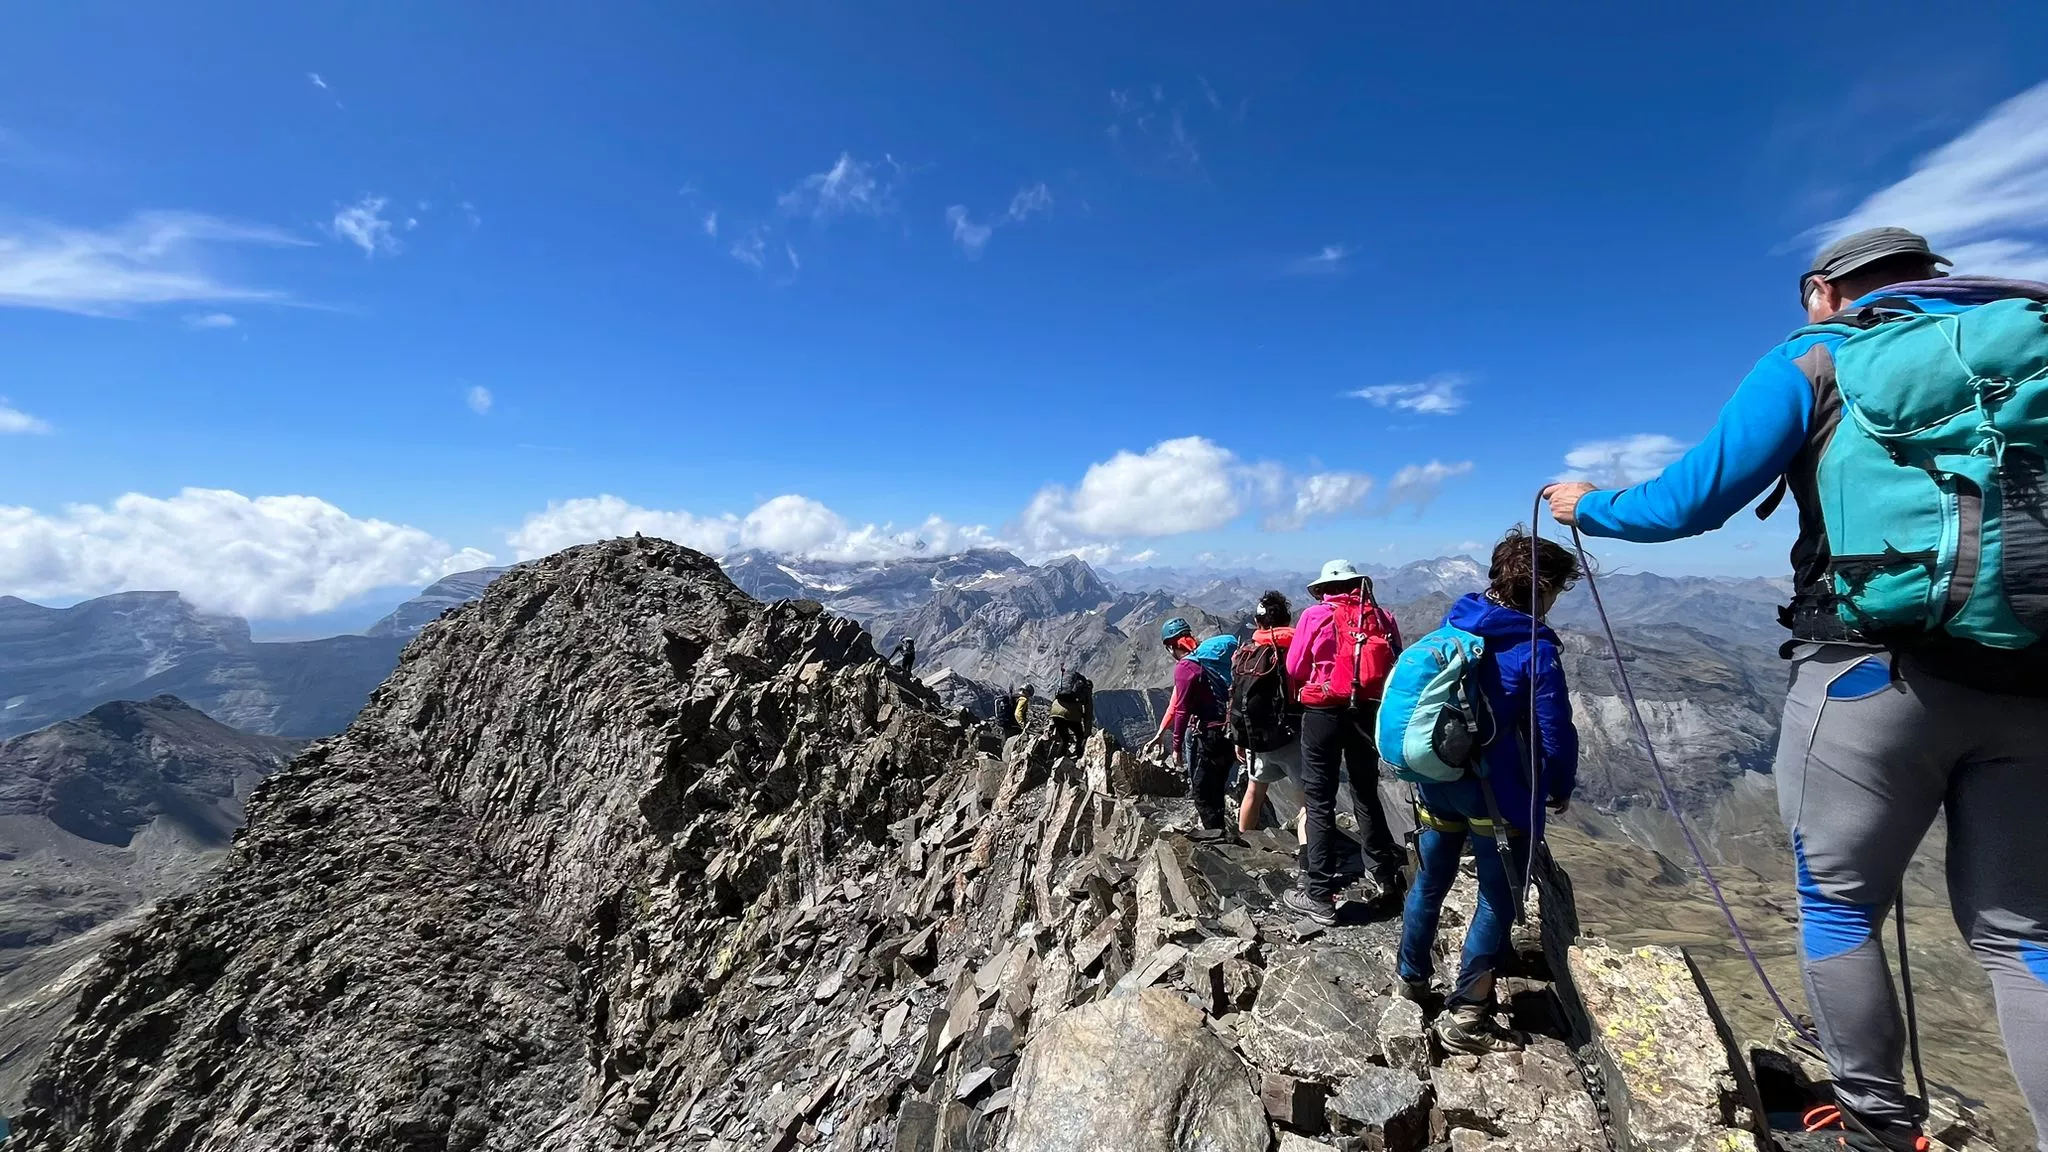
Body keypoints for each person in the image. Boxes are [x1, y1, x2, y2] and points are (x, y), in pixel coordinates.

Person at [1542, 227, 2048, 1152]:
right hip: (2035, 682)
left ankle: (1874, 1130)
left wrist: (1590, 506)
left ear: (1824, 289)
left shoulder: (1819, 354)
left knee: (1840, 906)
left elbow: (1688, 504)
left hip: (1868, 676)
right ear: (1936, 281)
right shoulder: (2030, 351)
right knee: (2025, 935)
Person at [1395, 529, 1580, 1055]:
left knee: (1430, 882)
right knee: (1497, 897)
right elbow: (1554, 730)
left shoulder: (1456, 625)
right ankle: (1468, 1011)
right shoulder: (1534, 649)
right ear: (1541, 588)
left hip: (1438, 785)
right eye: (1557, 590)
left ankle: (1409, 978)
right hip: (1497, 796)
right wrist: (1558, 783)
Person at [1282, 560, 1405, 924]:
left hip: (1322, 713)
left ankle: (1319, 895)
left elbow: (1294, 667)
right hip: (1367, 711)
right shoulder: (1381, 616)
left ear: (1324, 589)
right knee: (1366, 793)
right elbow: (1396, 659)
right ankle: (1384, 878)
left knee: (1320, 801)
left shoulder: (1314, 616)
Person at [1143, 617, 1235, 832]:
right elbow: (1175, 705)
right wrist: (1160, 732)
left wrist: (1175, 748)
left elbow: (1181, 710)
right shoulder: (1207, 657)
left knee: (1201, 792)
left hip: (1209, 735)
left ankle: (1216, 840)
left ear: (1171, 646)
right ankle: (1219, 831)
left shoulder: (1186, 668)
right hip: (1230, 731)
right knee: (1216, 786)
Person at [1237, 591, 1302, 833]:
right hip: (1292, 735)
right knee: (1307, 805)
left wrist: (1241, 738)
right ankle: (1309, 861)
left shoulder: (1249, 653)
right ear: (1288, 620)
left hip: (1259, 739)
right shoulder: (1296, 648)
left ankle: (1242, 844)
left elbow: (1238, 697)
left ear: (1257, 623)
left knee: (1253, 792)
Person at [1049, 668, 1094, 758]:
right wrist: (1087, 734)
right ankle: (1080, 756)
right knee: (1080, 736)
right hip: (1070, 714)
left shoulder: (1066, 687)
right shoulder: (1086, 690)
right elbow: (1088, 714)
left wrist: (1052, 724)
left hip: (1055, 711)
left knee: (1064, 738)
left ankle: (1058, 760)